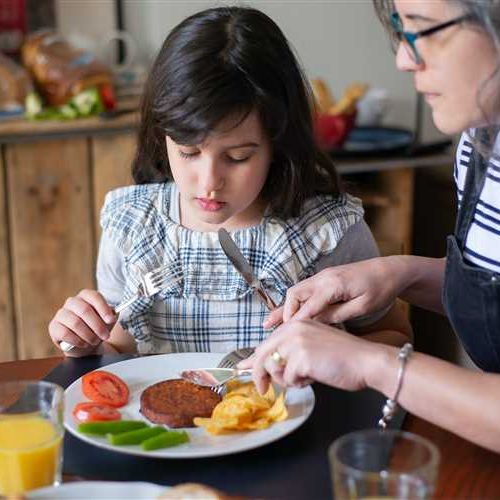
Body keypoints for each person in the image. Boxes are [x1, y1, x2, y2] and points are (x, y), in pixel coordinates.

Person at [48, 6, 411, 357]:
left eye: (238, 157)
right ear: (162, 137)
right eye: (189, 152)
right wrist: (85, 342)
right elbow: (117, 350)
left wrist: (338, 353)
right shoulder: (132, 226)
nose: (209, 182)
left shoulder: (328, 232)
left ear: (277, 143)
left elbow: (395, 335)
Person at [243, 0, 500, 453]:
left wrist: (371, 364)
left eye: (424, 28)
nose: (404, 57)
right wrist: (399, 274)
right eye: (402, 28)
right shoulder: (481, 141)